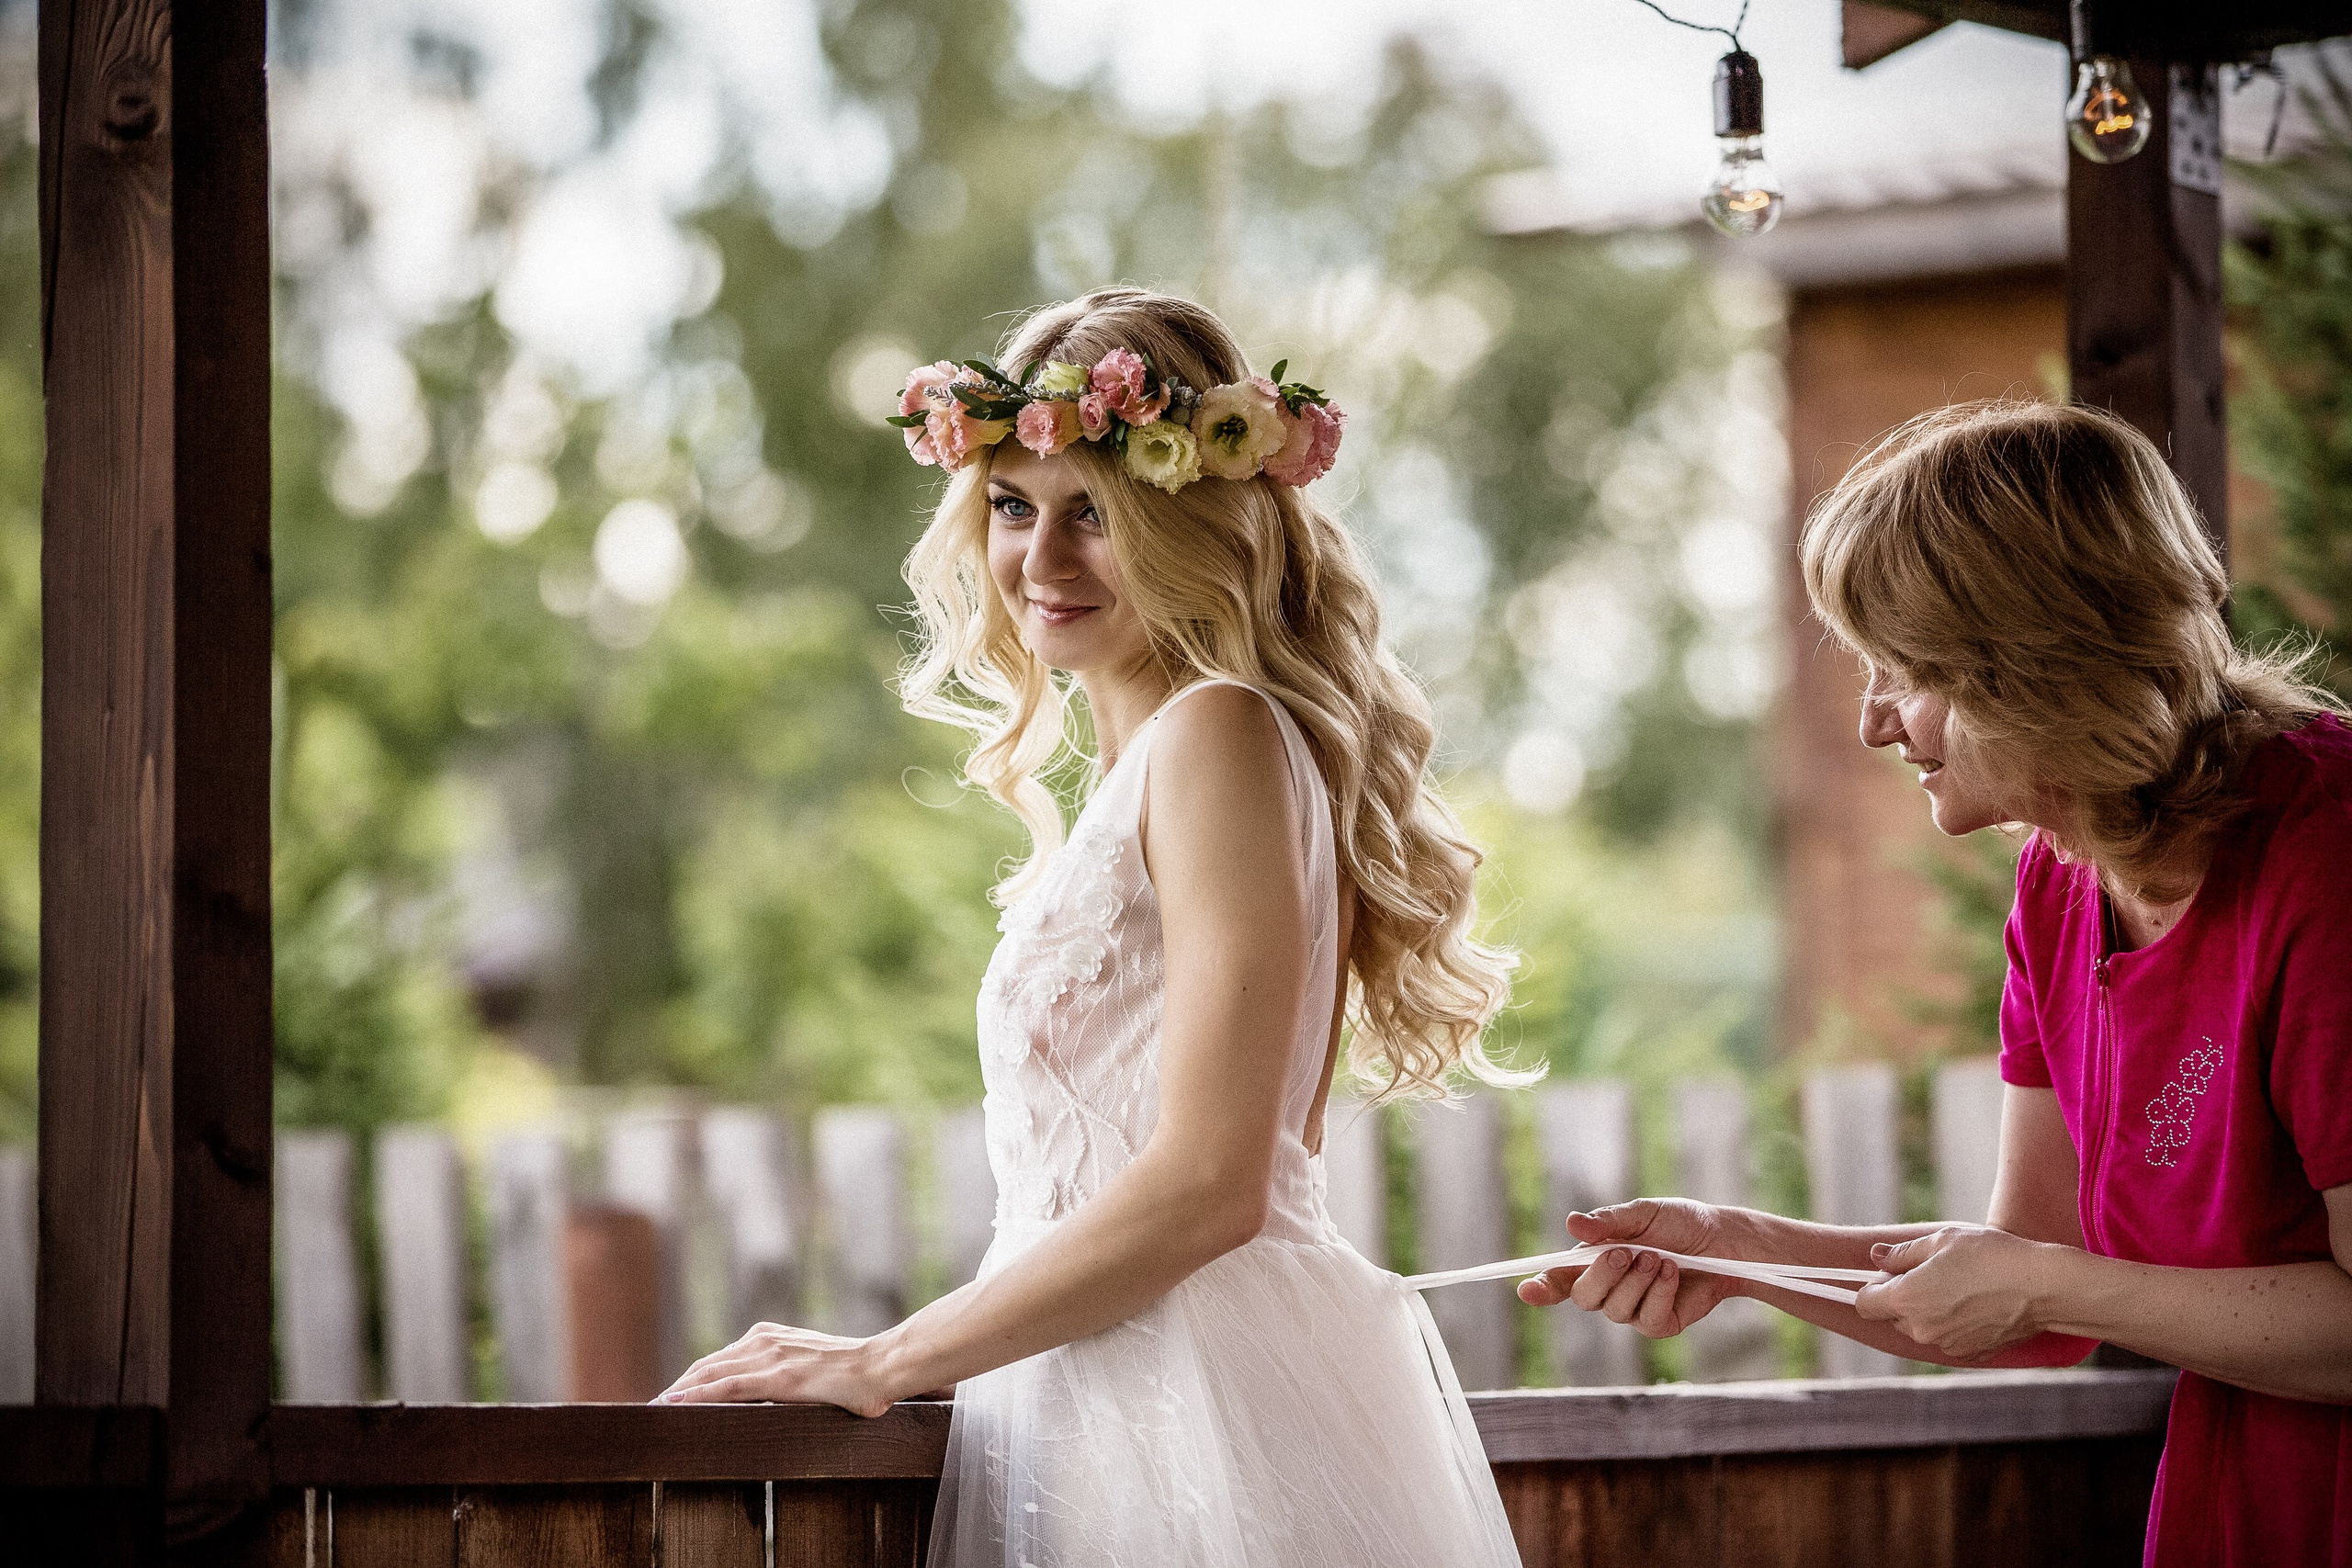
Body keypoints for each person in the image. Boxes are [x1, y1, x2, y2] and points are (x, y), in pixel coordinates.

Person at [658, 288, 1532, 1567]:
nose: (1043, 563)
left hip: (1199, 1411)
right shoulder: (1166, 764)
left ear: (1195, 522)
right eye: (1014, 507)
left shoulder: (1218, 735)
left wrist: (884, 1358)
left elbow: (1218, 1183)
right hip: (1109, 1398)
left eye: (1097, 516)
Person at [1519, 400, 2352, 1566]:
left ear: (2036, 664)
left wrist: (2047, 1287)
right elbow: (2019, 1293)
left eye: (1904, 672)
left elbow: (2051, 1291)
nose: (1870, 723)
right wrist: (1737, 1249)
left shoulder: (2326, 853)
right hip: (2242, 1504)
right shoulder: (2058, 884)